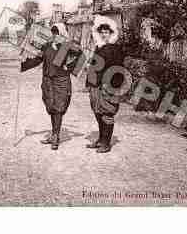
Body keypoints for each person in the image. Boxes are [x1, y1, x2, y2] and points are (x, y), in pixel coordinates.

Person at [20, 23, 80, 150]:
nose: (55, 35)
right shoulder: (46, 46)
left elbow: (80, 56)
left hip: (61, 81)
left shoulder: (66, 46)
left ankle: (56, 137)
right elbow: (37, 60)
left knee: (58, 108)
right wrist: (22, 66)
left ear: (62, 34)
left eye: (57, 33)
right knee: (51, 107)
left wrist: (68, 68)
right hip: (48, 81)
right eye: (53, 32)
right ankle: (53, 134)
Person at [85, 16, 125, 153]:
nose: (104, 34)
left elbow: (119, 71)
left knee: (107, 113)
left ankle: (106, 143)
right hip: (95, 86)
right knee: (98, 112)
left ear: (112, 33)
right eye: (101, 32)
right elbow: (94, 67)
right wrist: (89, 83)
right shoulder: (99, 47)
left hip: (108, 87)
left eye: (106, 32)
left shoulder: (115, 49)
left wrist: (113, 87)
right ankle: (101, 139)